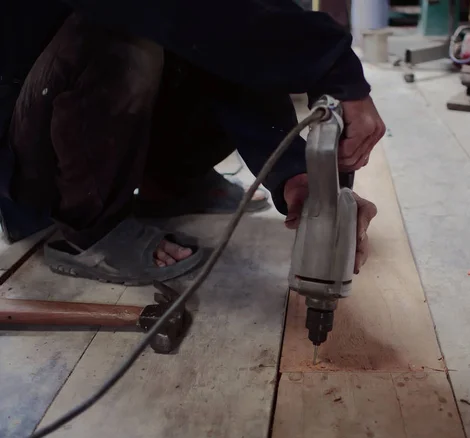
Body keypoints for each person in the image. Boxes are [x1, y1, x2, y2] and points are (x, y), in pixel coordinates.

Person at [2, 0, 385, 285]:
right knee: (128, 32)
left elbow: (237, 38)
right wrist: (330, 61)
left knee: (225, 38)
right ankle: (91, 231)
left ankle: (172, 185)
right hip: (28, 144)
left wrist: (291, 170)